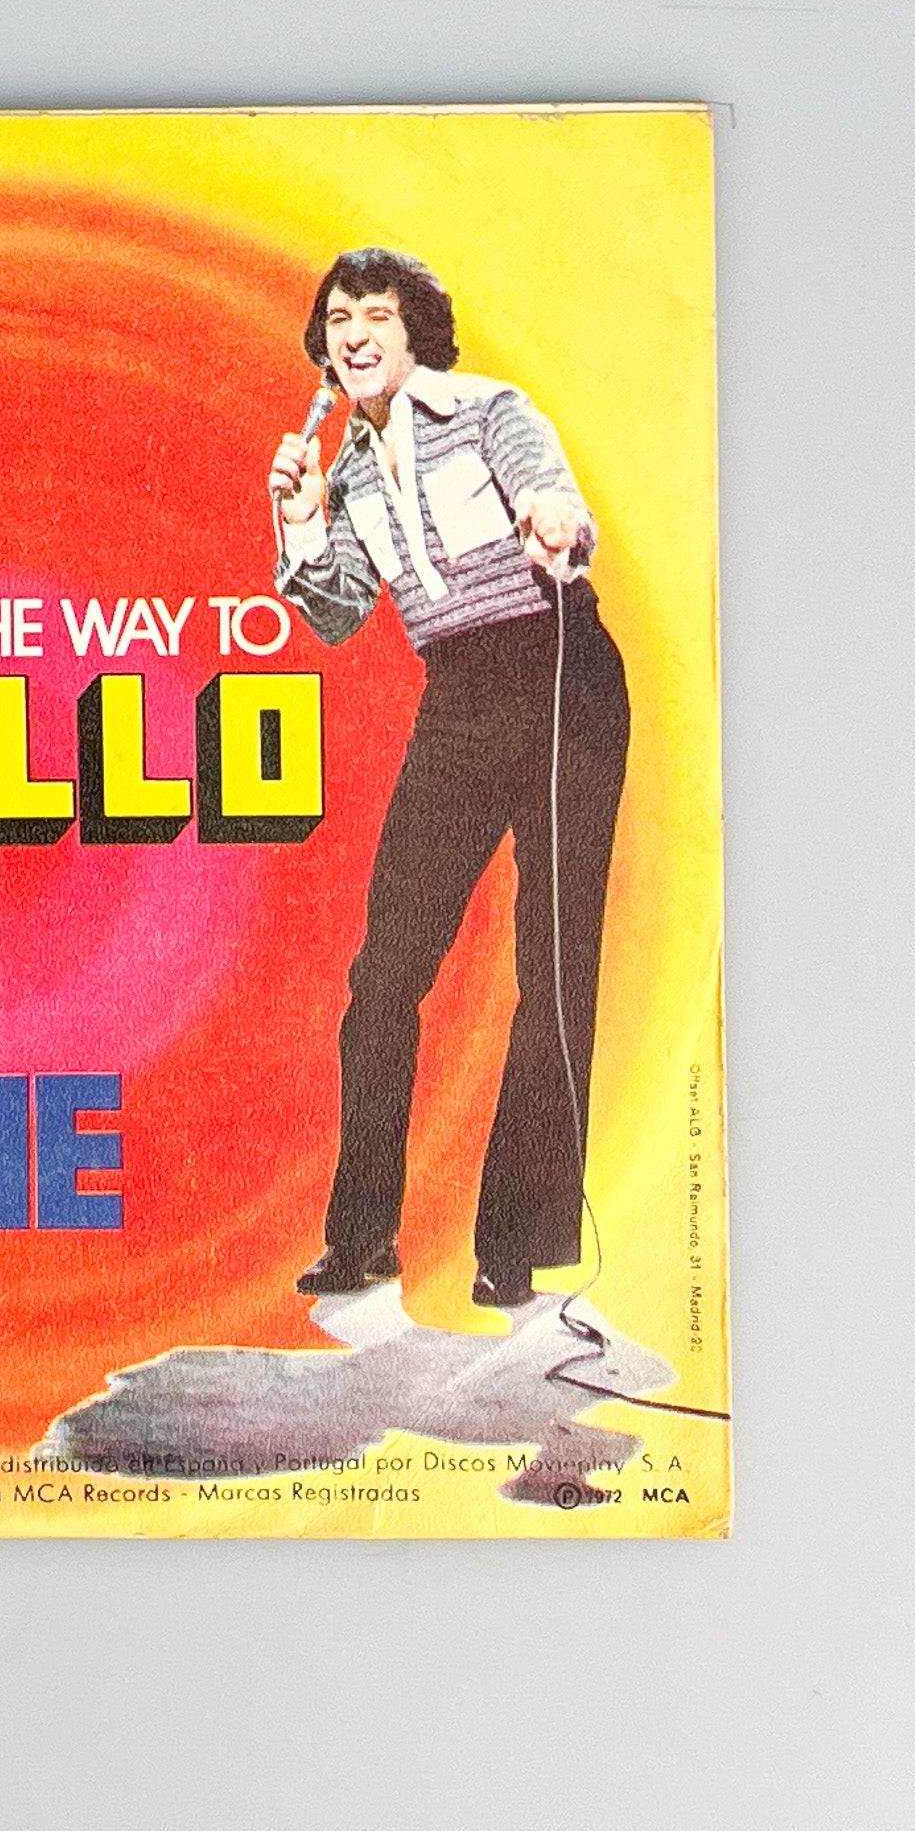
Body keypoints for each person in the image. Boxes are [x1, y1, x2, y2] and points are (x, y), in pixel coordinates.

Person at [270, 249, 630, 1308]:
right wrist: (299, 520)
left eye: (376, 314)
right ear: (324, 344)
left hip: (559, 672)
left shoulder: (485, 411)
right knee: (383, 975)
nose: (355, 333)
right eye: (339, 317)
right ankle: (359, 1239)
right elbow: (337, 613)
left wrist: (554, 522)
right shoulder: (342, 471)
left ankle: (512, 1245)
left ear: (413, 329)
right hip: (460, 698)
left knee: (552, 964)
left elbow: (552, 497)